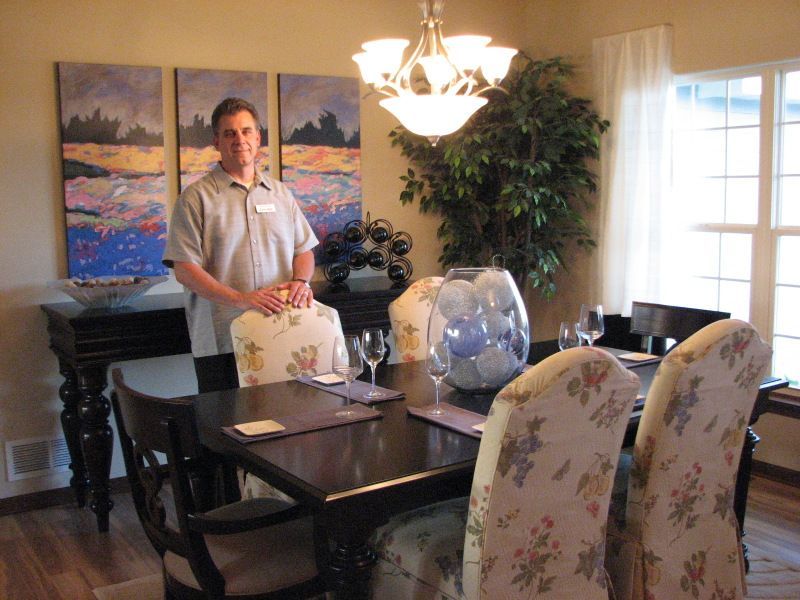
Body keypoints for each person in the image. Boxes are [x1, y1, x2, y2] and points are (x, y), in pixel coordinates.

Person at [163, 97, 318, 393]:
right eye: (230, 133)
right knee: (225, 428)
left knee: (285, 420)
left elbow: (304, 250)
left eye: (247, 131)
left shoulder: (280, 194)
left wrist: (301, 280)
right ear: (216, 141)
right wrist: (240, 299)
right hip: (223, 339)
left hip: (280, 329)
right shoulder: (195, 199)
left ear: (258, 138)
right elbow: (184, 269)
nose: (240, 140)